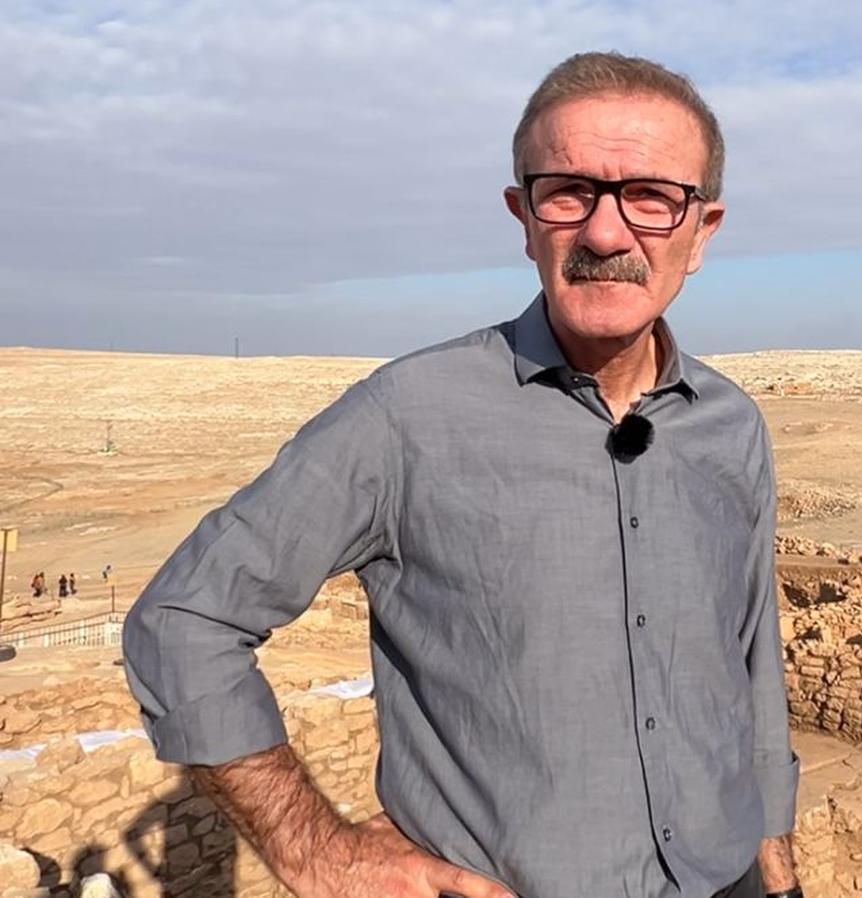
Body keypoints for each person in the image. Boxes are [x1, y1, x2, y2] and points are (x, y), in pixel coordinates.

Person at [122, 52, 802, 898]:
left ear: (703, 232)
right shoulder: (406, 416)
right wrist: (316, 852)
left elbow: (748, 657)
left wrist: (774, 859)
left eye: (652, 198)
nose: (604, 233)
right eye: (569, 191)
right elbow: (185, 619)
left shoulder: (731, 426)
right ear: (523, 217)